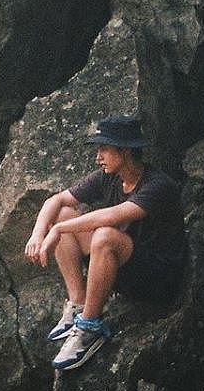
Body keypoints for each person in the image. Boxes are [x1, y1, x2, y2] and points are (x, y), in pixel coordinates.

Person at [24, 115, 186, 371]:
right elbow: (55, 201)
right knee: (65, 213)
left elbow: (111, 216)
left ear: (125, 151)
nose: (98, 157)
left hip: (159, 281)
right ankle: (78, 303)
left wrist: (57, 230)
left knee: (103, 235)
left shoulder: (158, 186)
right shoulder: (109, 177)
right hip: (126, 268)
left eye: (104, 149)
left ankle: (89, 327)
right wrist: (38, 232)